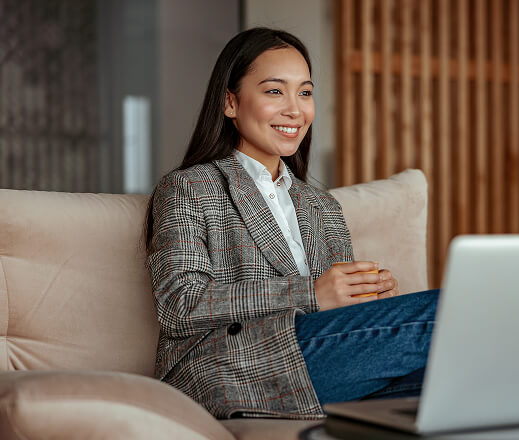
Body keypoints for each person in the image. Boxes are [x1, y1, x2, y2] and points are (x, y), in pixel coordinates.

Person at [145, 27, 439, 420]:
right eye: (273, 91)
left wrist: (367, 300)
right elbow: (181, 304)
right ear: (230, 102)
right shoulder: (188, 188)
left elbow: (337, 321)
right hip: (230, 370)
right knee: (452, 311)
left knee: (458, 370)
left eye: (304, 92)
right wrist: (311, 293)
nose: (295, 110)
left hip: (321, 366)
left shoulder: (322, 206)